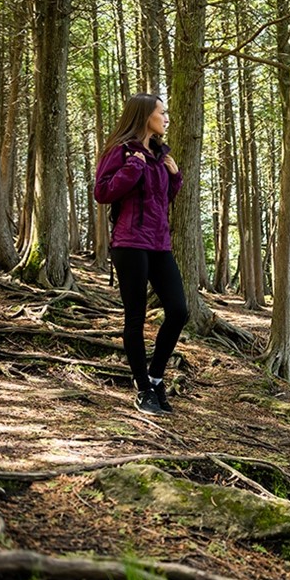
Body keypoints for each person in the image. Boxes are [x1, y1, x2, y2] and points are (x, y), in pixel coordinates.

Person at [94, 93, 188, 415]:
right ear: (145, 115)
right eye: (162, 112)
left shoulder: (160, 155)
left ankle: (156, 377)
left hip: (160, 244)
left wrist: (174, 177)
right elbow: (102, 192)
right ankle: (143, 389)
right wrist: (132, 168)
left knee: (179, 310)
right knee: (134, 317)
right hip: (130, 243)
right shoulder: (121, 151)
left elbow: (162, 199)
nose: (166, 118)